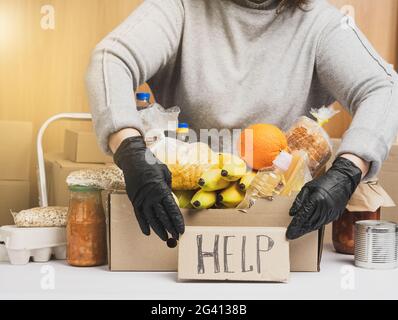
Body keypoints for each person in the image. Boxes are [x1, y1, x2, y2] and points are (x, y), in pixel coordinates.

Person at [86, 0, 398, 242]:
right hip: (185, 209)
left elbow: (384, 88)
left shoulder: (321, 23)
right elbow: (111, 60)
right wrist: (130, 150)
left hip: (280, 217)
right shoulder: (180, 6)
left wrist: (348, 170)